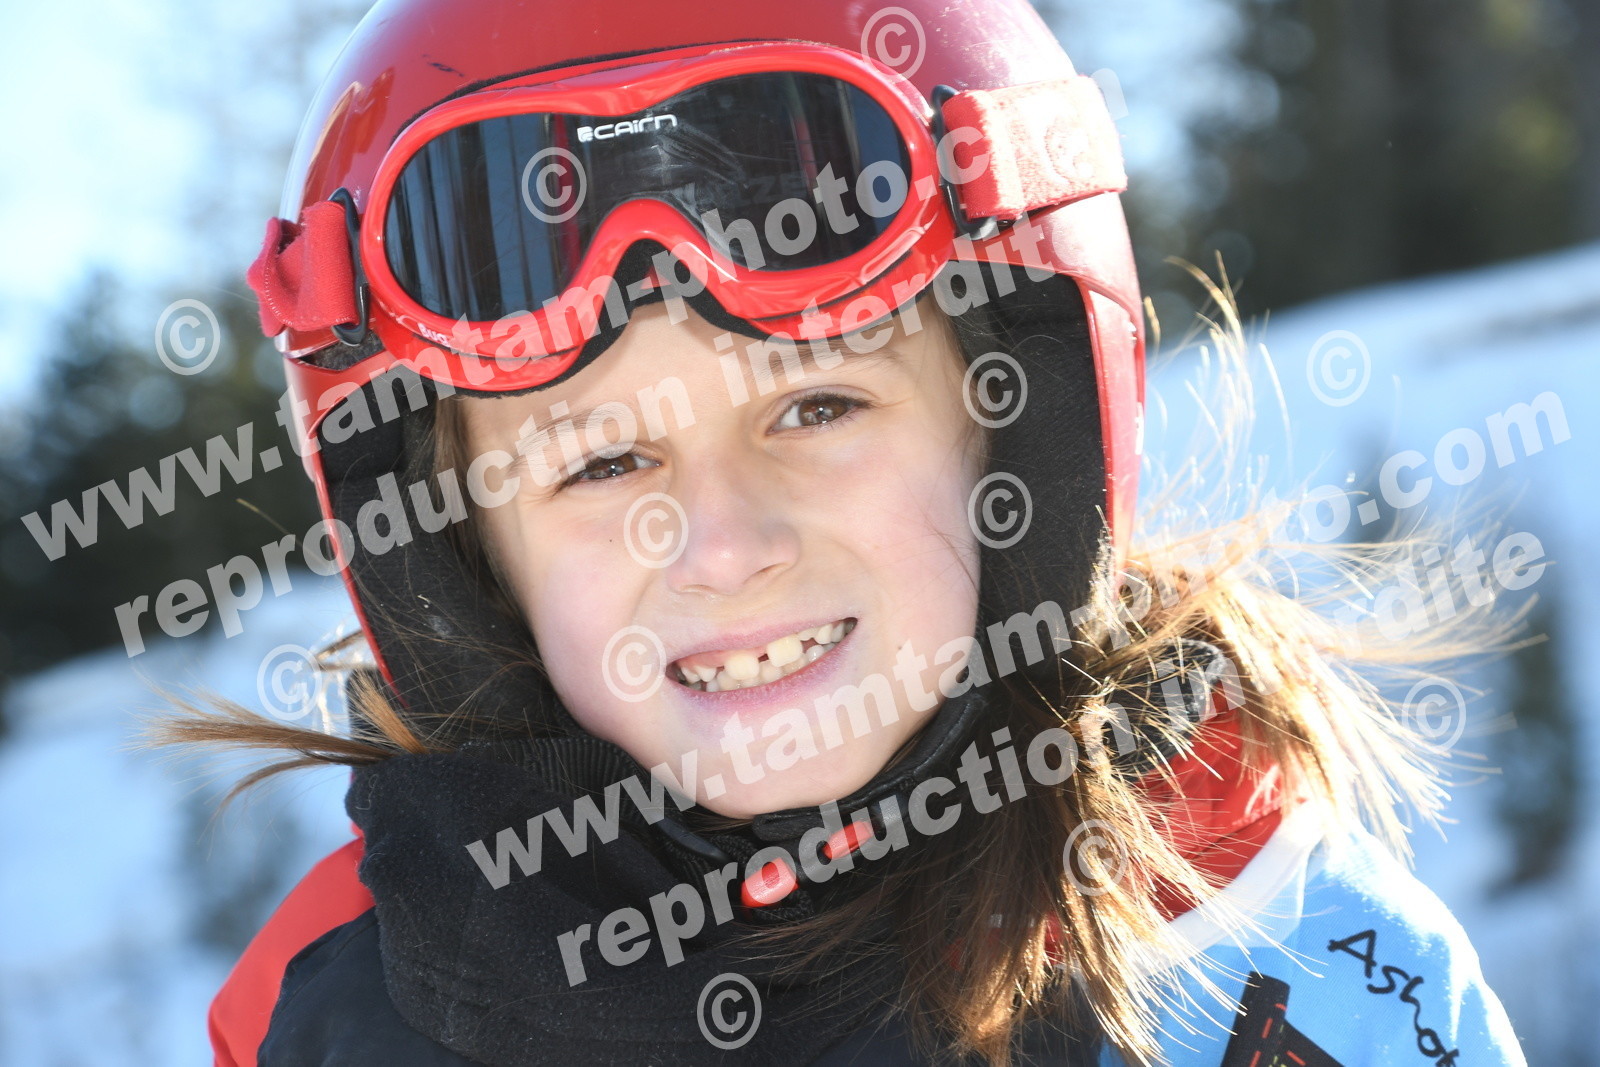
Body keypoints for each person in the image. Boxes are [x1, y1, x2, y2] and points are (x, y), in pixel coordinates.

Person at [156, 0, 1532, 1063]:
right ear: (470, 567)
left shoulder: (1280, 958)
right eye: (604, 463)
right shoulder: (338, 1014)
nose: (724, 544)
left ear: (1011, 437)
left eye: (816, 406)